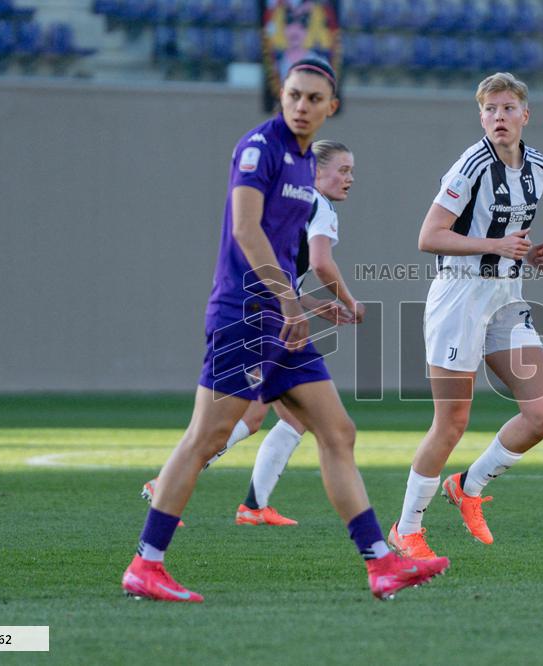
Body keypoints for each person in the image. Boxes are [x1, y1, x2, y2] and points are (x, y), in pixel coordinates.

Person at [121, 57, 450, 603]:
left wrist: (305, 309)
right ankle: (146, 564)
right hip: (245, 313)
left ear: (330, 107)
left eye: (313, 99)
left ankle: (379, 564)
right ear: (282, 94)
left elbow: (286, 252)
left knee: (337, 430)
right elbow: (247, 232)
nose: (301, 106)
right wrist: (291, 304)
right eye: (294, 95)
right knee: (205, 436)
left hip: (280, 319)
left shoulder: (303, 166)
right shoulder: (259, 150)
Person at [139, 140, 366, 528]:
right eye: (342, 170)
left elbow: (279, 271)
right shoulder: (320, 206)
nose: (350, 179)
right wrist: (349, 299)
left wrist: (314, 305)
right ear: (314, 171)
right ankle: (167, 486)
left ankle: (254, 506)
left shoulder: (290, 205)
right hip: (265, 320)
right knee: (228, 423)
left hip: (257, 309)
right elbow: (322, 262)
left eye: (351, 172)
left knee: (285, 417)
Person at [387, 72, 543, 559]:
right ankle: (406, 529)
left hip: (505, 294)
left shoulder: (538, 166)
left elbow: (508, 233)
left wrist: (529, 254)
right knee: (451, 423)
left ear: (526, 115)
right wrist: (495, 246)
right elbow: (428, 236)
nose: (498, 118)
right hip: (459, 295)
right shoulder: (471, 164)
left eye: (507, 109)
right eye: (489, 110)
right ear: (480, 116)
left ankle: (468, 486)